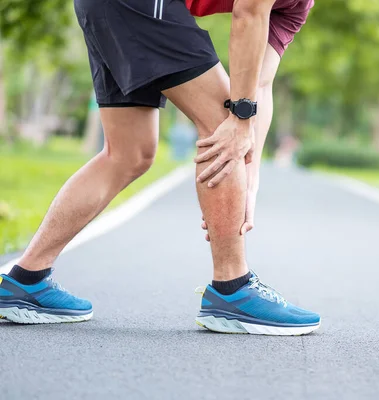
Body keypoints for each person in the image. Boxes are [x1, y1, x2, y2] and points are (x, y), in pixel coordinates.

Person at [0, 0, 320, 335]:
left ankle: (26, 281)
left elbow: (261, 84)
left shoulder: (300, 5)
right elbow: (247, 15)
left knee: (129, 154)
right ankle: (233, 288)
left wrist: (250, 177)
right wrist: (239, 121)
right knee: (221, 122)